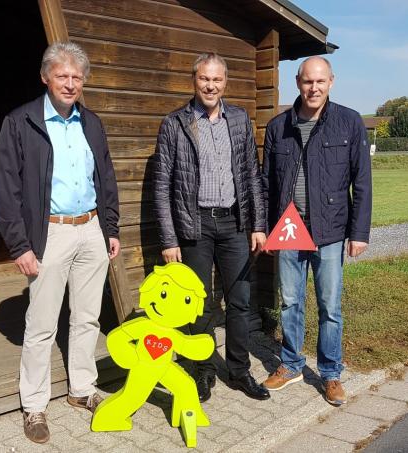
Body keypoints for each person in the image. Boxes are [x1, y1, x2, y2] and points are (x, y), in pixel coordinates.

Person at [0, 41, 121, 444]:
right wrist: (19, 245)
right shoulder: (21, 122)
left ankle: (82, 389)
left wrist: (110, 228)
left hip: (91, 230)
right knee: (42, 324)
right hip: (49, 233)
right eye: (63, 75)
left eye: (77, 76)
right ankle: (34, 405)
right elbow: (5, 190)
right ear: (45, 77)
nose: (70, 83)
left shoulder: (92, 123)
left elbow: (107, 178)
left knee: (87, 318)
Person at [152, 52, 270, 403]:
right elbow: (161, 186)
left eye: (217, 80)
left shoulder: (239, 120)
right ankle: (202, 371)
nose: (210, 85)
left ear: (225, 83)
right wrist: (169, 238)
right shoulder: (175, 123)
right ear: (194, 80)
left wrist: (258, 224)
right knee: (198, 304)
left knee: (240, 301)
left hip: (235, 222)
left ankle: (238, 369)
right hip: (195, 225)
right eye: (205, 78)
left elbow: (252, 174)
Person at [261, 56, 371, 406]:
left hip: (331, 230)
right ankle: (291, 364)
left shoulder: (349, 122)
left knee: (330, 305)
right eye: (308, 81)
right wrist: (264, 229)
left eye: (320, 82)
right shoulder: (278, 126)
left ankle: (330, 373)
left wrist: (360, 233)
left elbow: (362, 182)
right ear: (298, 82)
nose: (314, 88)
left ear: (331, 82)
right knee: (290, 301)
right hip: (289, 230)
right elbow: (266, 184)